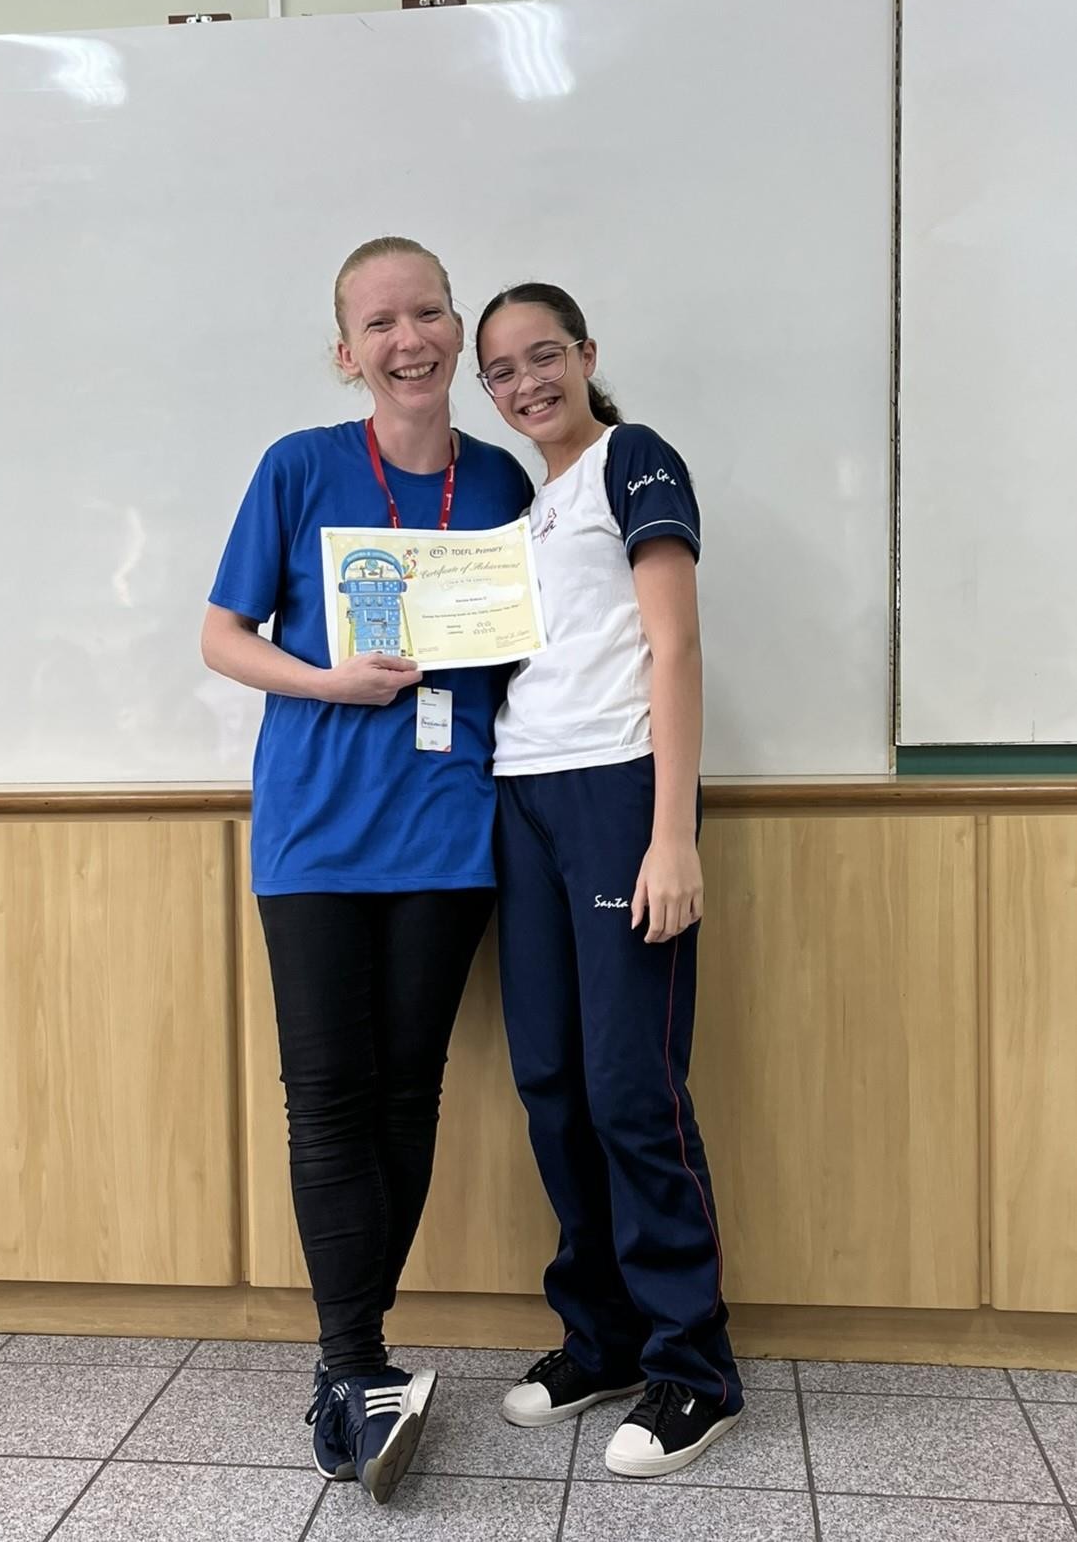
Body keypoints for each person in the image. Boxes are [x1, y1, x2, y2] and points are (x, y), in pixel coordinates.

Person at [201, 238, 529, 1504]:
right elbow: (221, 637)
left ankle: (357, 1358)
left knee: (407, 1095)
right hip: (314, 839)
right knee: (327, 1098)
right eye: (380, 323)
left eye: (427, 313)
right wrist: (330, 681)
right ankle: (350, 1362)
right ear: (347, 353)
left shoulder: (499, 481)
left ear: (455, 328)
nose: (409, 339)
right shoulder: (298, 466)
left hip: (450, 834)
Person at [474, 283, 744, 1478]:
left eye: (543, 355)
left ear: (586, 354)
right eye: (500, 370)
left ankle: (696, 1367)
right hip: (521, 795)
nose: (525, 382)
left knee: (633, 1087)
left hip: (618, 791)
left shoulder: (632, 459)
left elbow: (673, 643)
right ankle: (605, 1340)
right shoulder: (523, 510)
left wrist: (670, 834)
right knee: (551, 1083)